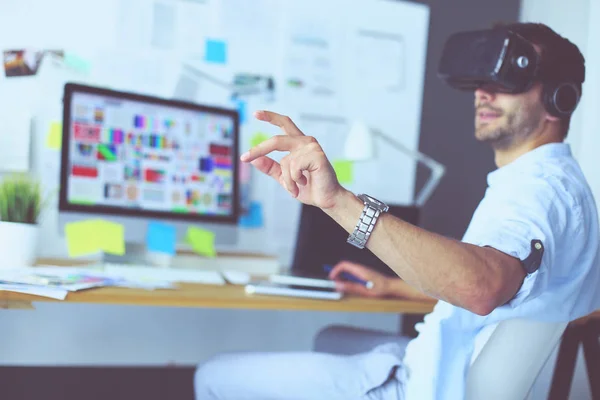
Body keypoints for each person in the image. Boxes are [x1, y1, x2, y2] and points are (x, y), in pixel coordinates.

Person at [194, 22, 600, 400]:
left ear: (557, 101)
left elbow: (483, 286)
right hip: (452, 362)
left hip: (430, 385)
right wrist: (396, 288)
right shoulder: (551, 183)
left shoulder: (538, 190)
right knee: (331, 336)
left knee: (211, 376)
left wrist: (338, 201)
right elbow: (509, 297)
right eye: (482, 79)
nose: (483, 92)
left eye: (509, 78)